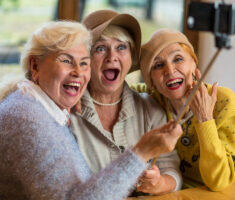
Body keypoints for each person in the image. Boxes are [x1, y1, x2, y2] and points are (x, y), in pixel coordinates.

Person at [0, 22, 183, 200]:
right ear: (35, 66)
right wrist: (141, 153)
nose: (77, 72)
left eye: (83, 63)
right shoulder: (29, 118)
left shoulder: (42, 109)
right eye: (66, 60)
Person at [69, 10, 182, 195]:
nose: (112, 57)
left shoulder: (150, 110)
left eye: (121, 47)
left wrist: (160, 183)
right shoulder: (66, 112)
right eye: (100, 48)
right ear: (85, 60)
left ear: (130, 58)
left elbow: (172, 169)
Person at [138, 29, 235, 191]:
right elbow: (113, 90)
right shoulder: (154, 97)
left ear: (194, 63)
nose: (170, 70)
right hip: (174, 191)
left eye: (178, 59)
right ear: (152, 82)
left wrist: (205, 118)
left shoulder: (223, 100)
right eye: (158, 65)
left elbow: (218, 182)